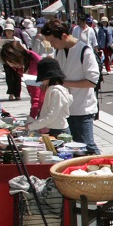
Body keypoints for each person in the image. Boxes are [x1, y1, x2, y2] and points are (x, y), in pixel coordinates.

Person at [40, 19, 101, 155]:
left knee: (87, 145)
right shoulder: (59, 51)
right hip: (65, 107)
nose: (52, 45)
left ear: (64, 36)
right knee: (71, 146)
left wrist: (63, 83)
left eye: (53, 41)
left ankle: (105, 169)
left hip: (82, 108)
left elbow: (92, 81)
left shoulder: (84, 51)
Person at [25, 57, 71, 136]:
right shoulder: (52, 90)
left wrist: (31, 126)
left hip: (59, 130)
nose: (42, 81)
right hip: (54, 128)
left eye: (43, 78)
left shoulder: (56, 92)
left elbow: (51, 115)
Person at [0, 42, 44, 118]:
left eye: (11, 61)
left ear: (17, 56)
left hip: (47, 107)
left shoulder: (33, 68)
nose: (11, 65)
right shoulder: (27, 63)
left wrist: (31, 118)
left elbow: (36, 98)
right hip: (42, 106)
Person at [0, 21, 25, 101]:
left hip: (16, 61)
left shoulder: (17, 40)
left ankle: (17, 94)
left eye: (10, 31)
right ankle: (11, 93)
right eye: (7, 31)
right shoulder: (2, 40)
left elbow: (22, 50)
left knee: (18, 78)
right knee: (9, 78)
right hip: (7, 62)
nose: (9, 32)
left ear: (13, 32)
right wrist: (1, 61)